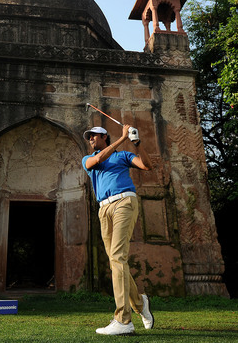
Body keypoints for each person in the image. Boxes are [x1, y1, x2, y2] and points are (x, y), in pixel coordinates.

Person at [82, 124, 154, 335]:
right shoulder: (88, 159)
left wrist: (137, 143)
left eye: (94, 136)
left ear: (104, 136)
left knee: (117, 257)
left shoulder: (122, 155)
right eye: (90, 137)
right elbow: (98, 160)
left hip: (124, 202)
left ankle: (123, 320)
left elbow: (146, 165)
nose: (91, 139)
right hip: (104, 209)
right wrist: (122, 138)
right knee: (116, 261)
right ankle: (140, 304)